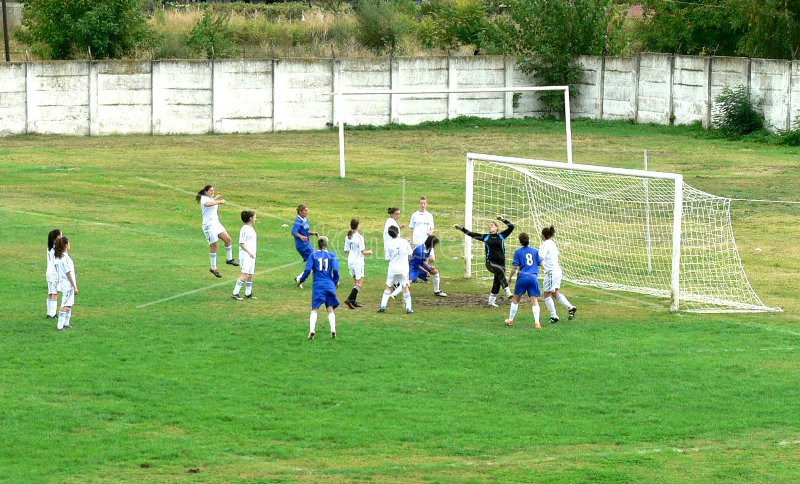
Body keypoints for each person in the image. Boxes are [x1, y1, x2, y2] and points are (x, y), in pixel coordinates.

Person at [454, 216, 515, 307]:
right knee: (500, 272)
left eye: (492, 225)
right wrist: (461, 228)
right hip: (490, 263)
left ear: (497, 228)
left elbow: (511, 227)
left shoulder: (502, 236)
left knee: (497, 282)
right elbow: (472, 234)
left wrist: (502, 220)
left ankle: (491, 301)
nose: (489, 227)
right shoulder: (485, 237)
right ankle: (507, 290)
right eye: (489, 226)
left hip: (501, 264)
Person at [298, 237, 340, 339]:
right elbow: (335, 269)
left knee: (315, 309)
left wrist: (302, 280)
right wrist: (335, 281)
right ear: (327, 244)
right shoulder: (332, 255)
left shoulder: (313, 255)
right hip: (329, 284)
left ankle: (312, 330)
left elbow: (307, 270)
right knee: (330, 308)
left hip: (318, 285)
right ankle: (333, 329)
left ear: (318, 244)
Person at [196, 185, 238, 278]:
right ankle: (213, 268)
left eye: (213, 190)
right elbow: (207, 204)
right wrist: (219, 201)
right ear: (206, 192)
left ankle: (229, 259)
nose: (212, 192)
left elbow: (211, 202)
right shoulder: (204, 198)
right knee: (214, 246)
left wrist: (215, 198)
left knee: (228, 240)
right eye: (211, 190)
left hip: (216, 224)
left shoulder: (210, 198)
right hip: (209, 227)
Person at [539, 225, 577, 324]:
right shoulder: (552, 243)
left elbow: (540, 258)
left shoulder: (545, 244)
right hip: (557, 270)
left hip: (551, 272)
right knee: (555, 293)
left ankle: (554, 316)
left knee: (546, 294)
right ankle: (571, 307)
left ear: (543, 235)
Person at [505, 233, 543, 329]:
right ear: (528, 240)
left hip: (522, 278)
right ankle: (537, 323)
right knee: (534, 300)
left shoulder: (518, 252)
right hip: (533, 277)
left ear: (520, 241)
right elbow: (540, 263)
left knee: (516, 299)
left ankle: (510, 320)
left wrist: (510, 277)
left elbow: (515, 267)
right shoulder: (535, 250)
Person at [379, 225, 414, 314]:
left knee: (389, 286)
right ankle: (408, 308)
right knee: (405, 286)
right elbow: (410, 253)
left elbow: (387, 258)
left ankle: (383, 306)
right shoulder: (404, 242)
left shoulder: (388, 244)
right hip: (403, 268)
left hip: (393, 268)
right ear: (398, 232)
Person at [344, 218, 372, 309]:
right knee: (359, 283)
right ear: (357, 226)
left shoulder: (348, 236)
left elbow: (347, 250)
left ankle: (353, 301)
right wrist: (370, 252)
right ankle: (349, 299)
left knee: (356, 282)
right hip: (358, 262)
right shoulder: (359, 237)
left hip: (350, 261)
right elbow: (363, 252)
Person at [53, 236, 78, 331]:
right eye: (68, 243)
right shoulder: (64, 258)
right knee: (65, 304)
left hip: (64, 283)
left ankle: (66, 323)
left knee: (70, 303)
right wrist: (74, 286)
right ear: (65, 245)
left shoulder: (58, 257)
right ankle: (60, 326)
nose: (69, 244)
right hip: (68, 284)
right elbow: (68, 272)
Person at [232, 211, 258, 301]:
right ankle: (235, 293)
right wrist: (249, 252)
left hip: (252, 255)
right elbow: (241, 243)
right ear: (250, 218)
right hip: (246, 255)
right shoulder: (244, 229)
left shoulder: (251, 228)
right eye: (254, 217)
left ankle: (248, 293)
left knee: (250, 275)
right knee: (245, 274)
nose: (255, 218)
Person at [292, 204, 320, 287]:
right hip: (302, 245)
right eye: (305, 211)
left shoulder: (305, 220)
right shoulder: (298, 220)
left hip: (307, 244)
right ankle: (300, 278)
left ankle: (302, 278)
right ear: (300, 212)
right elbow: (294, 232)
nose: (306, 212)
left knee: (314, 261)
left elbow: (305, 231)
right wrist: (301, 237)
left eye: (307, 210)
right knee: (315, 259)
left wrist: (313, 233)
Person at [45, 228, 63, 320]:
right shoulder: (55, 249)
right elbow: (57, 263)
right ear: (57, 237)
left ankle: (49, 313)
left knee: (50, 293)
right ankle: (52, 314)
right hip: (54, 274)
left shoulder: (49, 247)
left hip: (48, 273)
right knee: (54, 293)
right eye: (60, 235)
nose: (62, 237)